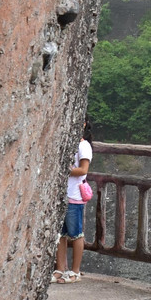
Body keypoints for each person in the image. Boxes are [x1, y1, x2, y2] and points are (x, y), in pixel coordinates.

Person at [52, 118, 93, 283]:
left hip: (74, 195)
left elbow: (83, 170)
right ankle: (60, 269)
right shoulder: (68, 143)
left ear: (83, 125)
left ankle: (75, 271)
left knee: (76, 234)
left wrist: (62, 169)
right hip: (62, 194)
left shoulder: (83, 145)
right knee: (60, 234)